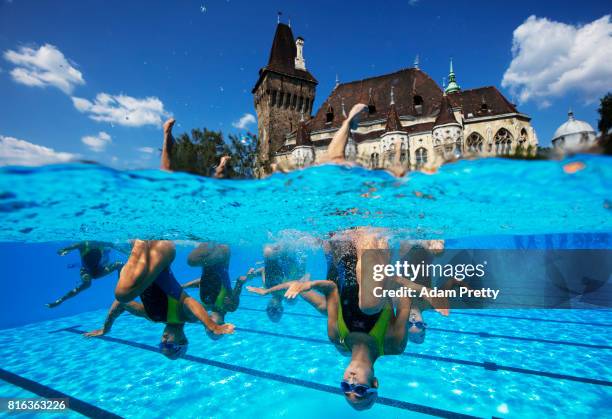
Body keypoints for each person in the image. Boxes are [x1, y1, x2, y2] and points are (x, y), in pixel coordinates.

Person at [249, 229, 448, 410]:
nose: (351, 382)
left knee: (339, 217)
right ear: (374, 383)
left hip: (342, 260)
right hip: (373, 258)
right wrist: (424, 291)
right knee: (369, 306)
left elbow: (332, 288)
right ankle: (382, 233)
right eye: (360, 390)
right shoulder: (393, 345)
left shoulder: (337, 338)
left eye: (345, 387)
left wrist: (304, 285)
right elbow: (404, 297)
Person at [83, 240, 234, 359]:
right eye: (168, 346)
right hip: (163, 253)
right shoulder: (185, 316)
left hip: (145, 260)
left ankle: (138, 243)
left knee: (122, 296)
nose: (163, 342)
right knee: (123, 294)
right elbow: (190, 302)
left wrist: (106, 328)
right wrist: (211, 325)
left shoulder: (151, 316)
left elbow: (122, 306)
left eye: (161, 346)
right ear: (182, 341)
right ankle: (139, 244)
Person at [181, 242, 257, 339]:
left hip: (209, 259)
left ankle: (205, 241)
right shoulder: (230, 307)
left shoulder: (205, 306)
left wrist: (184, 286)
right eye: (210, 327)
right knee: (192, 261)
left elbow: (203, 281)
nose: (206, 323)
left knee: (193, 258)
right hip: (222, 257)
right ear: (223, 325)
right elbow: (240, 281)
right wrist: (248, 277)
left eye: (206, 326)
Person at [47, 241, 125, 308]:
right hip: (86, 271)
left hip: (98, 270)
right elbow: (63, 249)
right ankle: (60, 301)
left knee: (119, 264)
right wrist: (63, 251)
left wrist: (129, 252)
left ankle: (122, 291)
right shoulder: (83, 244)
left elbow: (116, 247)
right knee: (87, 283)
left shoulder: (101, 243)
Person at [255, 243, 307, 322]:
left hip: (274, 258)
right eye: (274, 310)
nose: (271, 306)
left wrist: (253, 274)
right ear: (281, 308)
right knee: (271, 250)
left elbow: (264, 270)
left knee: (267, 251)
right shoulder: (288, 293)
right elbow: (302, 278)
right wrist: (303, 264)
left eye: (268, 309)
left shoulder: (266, 289)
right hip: (288, 259)